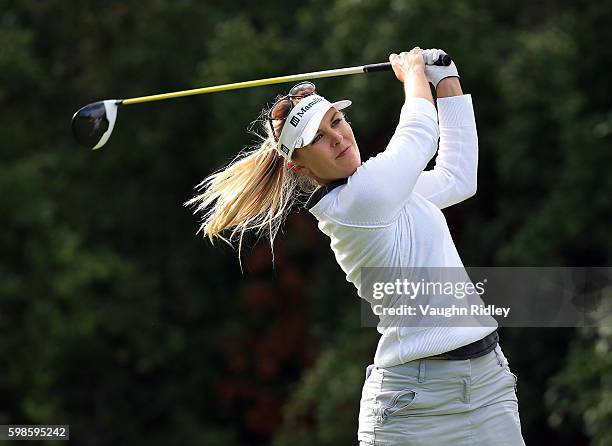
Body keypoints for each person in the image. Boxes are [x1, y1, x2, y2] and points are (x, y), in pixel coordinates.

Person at [187, 47, 525, 445]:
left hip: (486, 387)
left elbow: (457, 177)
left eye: (337, 121)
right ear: (300, 166)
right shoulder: (358, 202)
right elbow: (419, 134)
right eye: (318, 138)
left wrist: (446, 79)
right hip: (415, 408)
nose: (337, 138)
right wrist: (414, 72)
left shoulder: (382, 190)